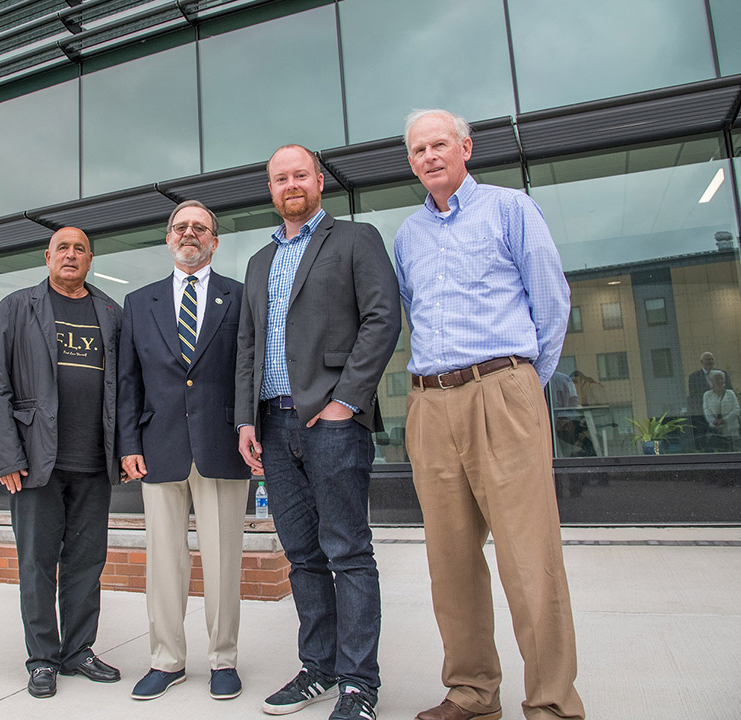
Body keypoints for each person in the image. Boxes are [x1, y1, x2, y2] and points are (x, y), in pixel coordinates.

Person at [395, 109, 585, 720]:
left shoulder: (511, 210)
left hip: (502, 391)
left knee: (529, 559)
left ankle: (552, 701)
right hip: (430, 403)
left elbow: (551, 302)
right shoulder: (406, 237)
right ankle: (472, 693)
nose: (429, 156)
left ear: (466, 148)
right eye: (418, 149)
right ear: (411, 161)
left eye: (439, 144)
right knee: (449, 562)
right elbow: (411, 313)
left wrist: (523, 384)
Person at [235, 144, 401, 720]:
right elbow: (247, 347)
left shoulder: (356, 240)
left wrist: (345, 402)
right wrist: (244, 420)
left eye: (299, 174)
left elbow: (383, 318)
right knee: (303, 556)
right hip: (274, 426)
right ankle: (319, 667)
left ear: (320, 181)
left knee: (348, 552)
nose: (290, 185)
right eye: (279, 177)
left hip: (333, 423)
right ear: (271, 189)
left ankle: (359, 683)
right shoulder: (258, 261)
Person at [0, 226, 123, 699]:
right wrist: (6, 457)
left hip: (94, 462)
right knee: (37, 564)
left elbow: (125, 390)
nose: (71, 254)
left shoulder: (110, 312)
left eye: (80, 249)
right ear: (47, 257)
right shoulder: (17, 308)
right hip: (35, 462)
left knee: (86, 563)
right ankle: (42, 658)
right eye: (63, 247)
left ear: (89, 259)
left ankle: (78, 650)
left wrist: (123, 451)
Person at [118, 200, 251, 702]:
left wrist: (248, 427)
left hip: (223, 445)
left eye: (200, 228)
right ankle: (166, 659)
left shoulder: (239, 298)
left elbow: (248, 372)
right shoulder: (140, 303)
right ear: (167, 238)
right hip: (159, 447)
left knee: (223, 561)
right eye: (180, 227)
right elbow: (129, 382)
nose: (189, 233)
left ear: (214, 241)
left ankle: (223, 659)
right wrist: (128, 443)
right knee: (163, 562)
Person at [688, 352, 732, 451]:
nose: (710, 361)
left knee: (725, 442)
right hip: (702, 416)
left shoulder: (722, 374)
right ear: (701, 361)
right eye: (708, 359)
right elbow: (693, 397)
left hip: (722, 415)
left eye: (712, 359)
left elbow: (729, 392)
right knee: (705, 442)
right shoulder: (694, 377)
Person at [702, 368, 739, 452]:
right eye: (717, 379)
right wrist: (714, 421)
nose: (720, 381)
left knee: (734, 451)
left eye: (722, 378)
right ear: (712, 381)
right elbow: (706, 410)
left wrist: (724, 420)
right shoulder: (707, 395)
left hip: (731, 429)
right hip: (716, 430)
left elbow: (736, 409)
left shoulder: (730, 393)